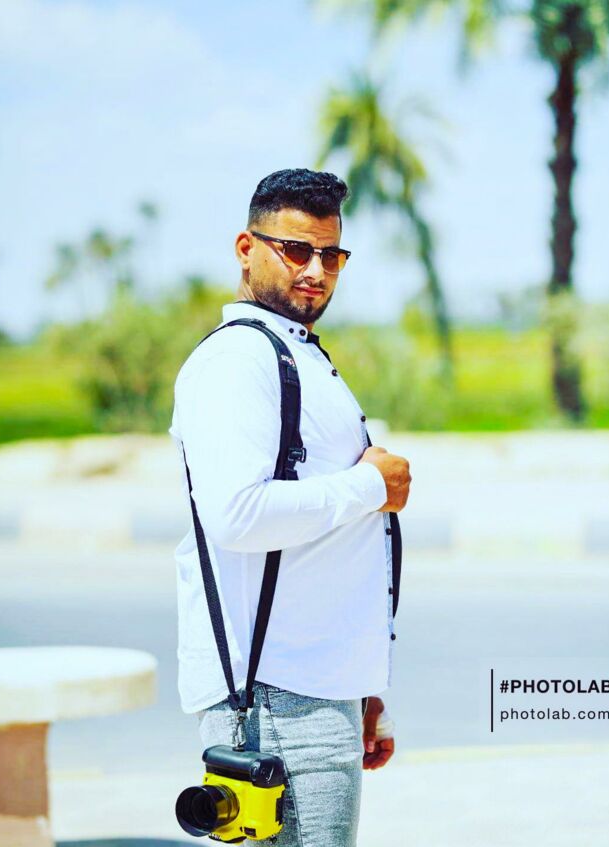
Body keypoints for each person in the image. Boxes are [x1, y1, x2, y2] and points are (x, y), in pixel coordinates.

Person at [169, 168, 411, 846]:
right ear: (247, 248)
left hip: (313, 688)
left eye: (331, 255)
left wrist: (359, 686)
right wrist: (374, 486)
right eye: (296, 250)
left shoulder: (292, 353)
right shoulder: (238, 360)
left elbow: (320, 551)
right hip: (274, 698)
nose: (315, 271)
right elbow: (238, 514)